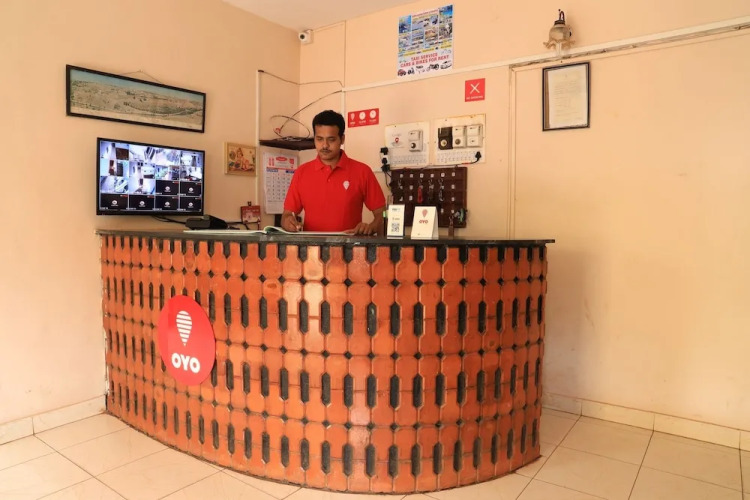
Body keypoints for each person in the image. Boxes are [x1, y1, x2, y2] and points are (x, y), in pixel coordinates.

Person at [281, 110, 386, 235]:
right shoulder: (301, 173)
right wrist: (288, 222)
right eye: (319, 139)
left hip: (351, 246)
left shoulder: (363, 172)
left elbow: (382, 214)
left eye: (331, 140)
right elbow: (287, 214)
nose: (324, 145)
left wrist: (370, 227)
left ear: (342, 139)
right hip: (311, 247)